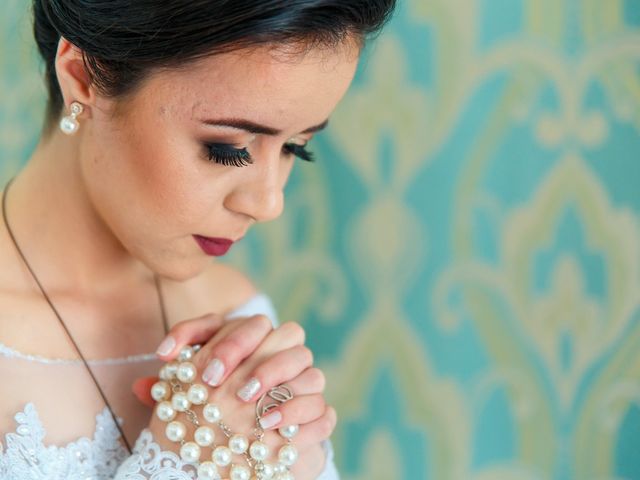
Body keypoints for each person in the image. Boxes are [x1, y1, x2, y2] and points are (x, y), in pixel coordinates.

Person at [0, 1, 396, 479]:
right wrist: (178, 465)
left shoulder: (239, 324)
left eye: (295, 148)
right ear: (84, 78)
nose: (269, 204)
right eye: (226, 149)